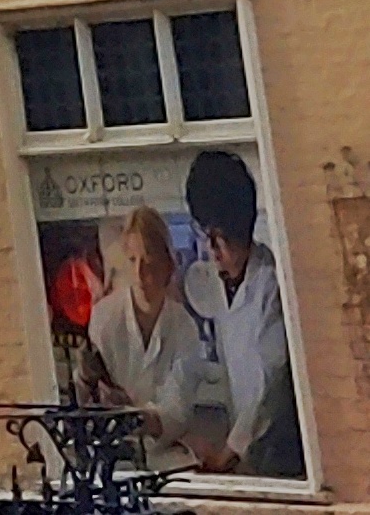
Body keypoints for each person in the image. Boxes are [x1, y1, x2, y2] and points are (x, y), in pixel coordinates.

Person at [181, 148, 304, 479]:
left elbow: (270, 380)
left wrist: (231, 451)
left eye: (219, 237)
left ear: (241, 229)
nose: (212, 249)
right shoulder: (216, 285)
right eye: (205, 234)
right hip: (244, 455)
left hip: (281, 454)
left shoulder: (271, 284)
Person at [87, 207, 219, 450]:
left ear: (167, 265)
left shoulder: (184, 327)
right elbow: (95, 400)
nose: (139, 274)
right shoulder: (104, 318)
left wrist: (138, 417)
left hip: (164, 453)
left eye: (148, 262)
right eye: (132, 261)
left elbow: (177, 412)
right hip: (113, 452)